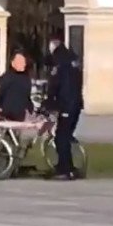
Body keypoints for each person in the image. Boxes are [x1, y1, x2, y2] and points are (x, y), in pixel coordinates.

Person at [46, 34, 84, 181]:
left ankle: (65, 170)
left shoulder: (60, 62)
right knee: (66, 136)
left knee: (61, 137)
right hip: (76, 104)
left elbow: (56, 85)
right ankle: (69, 167)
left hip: (67, 104)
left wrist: (50, 103)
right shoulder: (73, 59)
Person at [0, 50, 33, 122]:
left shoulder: (26, 78)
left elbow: (27, 96)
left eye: (23, 61)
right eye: (19, 62)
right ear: (12, 63)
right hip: (6, 115)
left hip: (21, 116)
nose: (22, 64)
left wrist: (30, 109)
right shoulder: (7, 77)